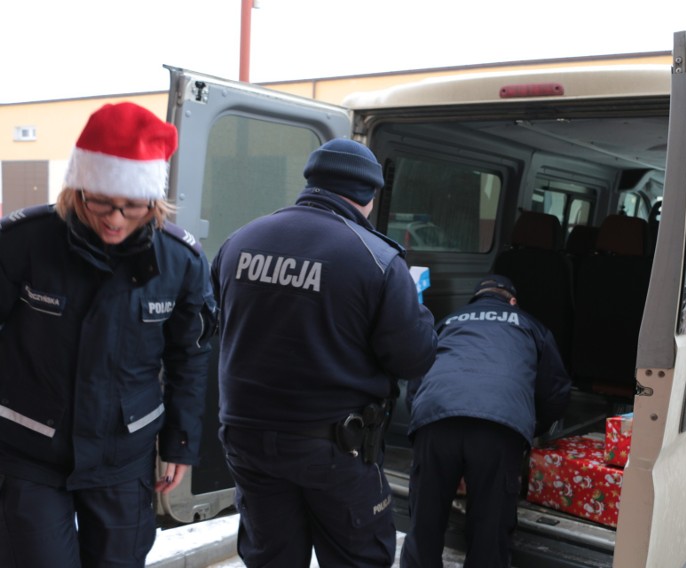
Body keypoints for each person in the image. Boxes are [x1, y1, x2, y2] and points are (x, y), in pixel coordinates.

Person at [0, 102, 217, 568]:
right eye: (101, 202)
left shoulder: (180, 260)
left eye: (132, 206)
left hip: (125, 455)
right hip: (30, 451)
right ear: (78, 190)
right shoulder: (23, 242)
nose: (115, 219)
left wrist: (180, 439)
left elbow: (189, 356)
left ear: (153, 201)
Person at [212, 137, 438, 567]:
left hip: (247, 440)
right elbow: (414, 358)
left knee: (270, 557)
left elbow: (221, 324)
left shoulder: (240, 241)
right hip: (334, 448)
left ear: (311, 181)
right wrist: (416, 306)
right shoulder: (377, 260)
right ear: (369, 195)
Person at [401, 274, 573, 568]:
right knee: (489, 527)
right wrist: (529, 430)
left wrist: (425, 421)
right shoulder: (532, 326)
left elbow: (417, 380)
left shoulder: (449, 321)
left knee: (424, 520)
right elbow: (555, 392)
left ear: (476, 299)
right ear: (513, 301)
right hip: (498, 427)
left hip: (436, 419)